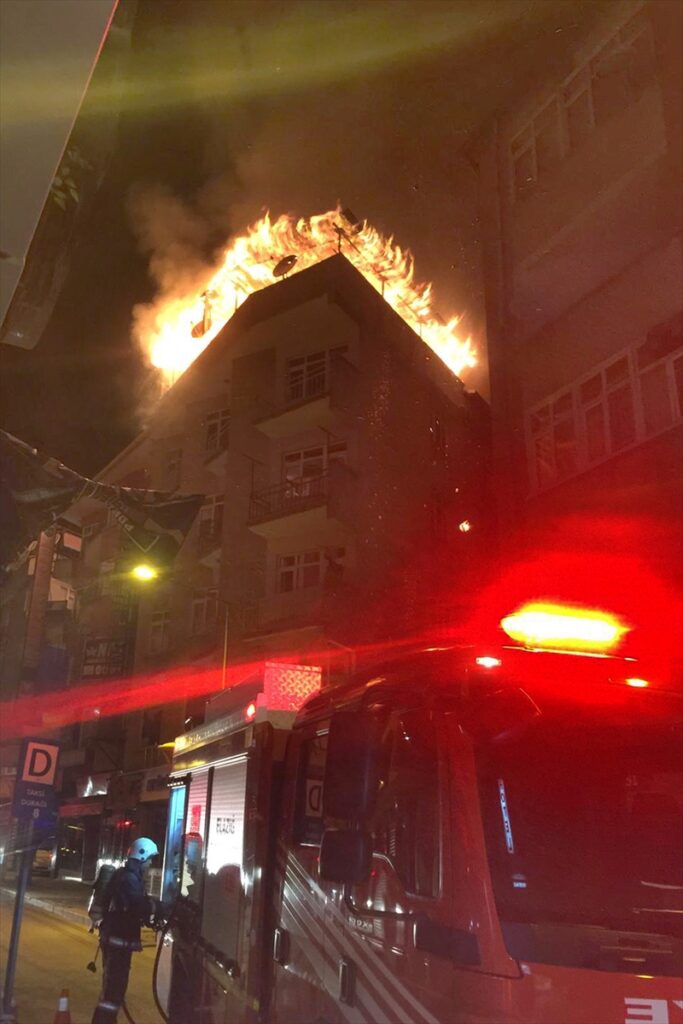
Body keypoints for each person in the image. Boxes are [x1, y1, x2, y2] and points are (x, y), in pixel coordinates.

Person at [91, 837, 159, 1024]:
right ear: (141, 856)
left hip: (116, 941)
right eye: (150, 859)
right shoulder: (129, 878)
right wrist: (157, 906)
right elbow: (138, 905)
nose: (151, 864)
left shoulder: (128, 876)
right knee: (113, 992)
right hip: (118, 944)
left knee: (112, 991)